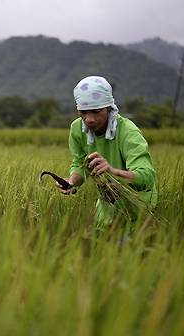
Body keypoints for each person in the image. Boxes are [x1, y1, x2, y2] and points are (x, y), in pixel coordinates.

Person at [57, 76, 157, 228]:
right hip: (107, 203)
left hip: (139, 206)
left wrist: (111, 171)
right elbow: (80, 164)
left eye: (96, 111)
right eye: (83, 112)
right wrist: (71, 182)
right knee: (99, 244)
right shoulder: (77, 129)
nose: (89, 119)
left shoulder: (128, 133)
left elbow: (146, 177)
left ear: (109, 108)